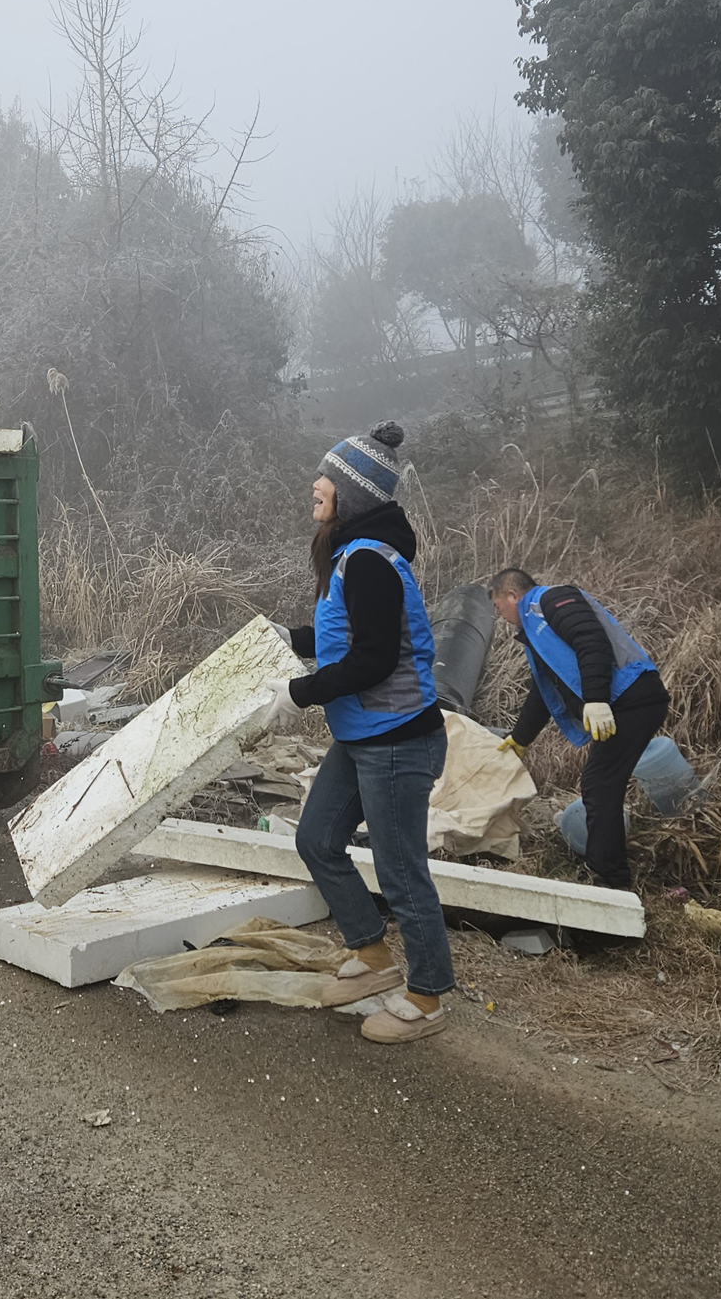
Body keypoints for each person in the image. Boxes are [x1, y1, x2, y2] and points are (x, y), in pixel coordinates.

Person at [264, 422, 453, 1044]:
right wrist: (280, 644)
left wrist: (301, 692)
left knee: (401, 872)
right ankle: (372, 955)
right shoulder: (354, 554)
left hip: (397, 737)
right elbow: (343, 637)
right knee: (317, 839)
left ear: (353, 492)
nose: (315, 486)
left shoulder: (369, 559)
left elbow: (372, 660)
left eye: (326, 479)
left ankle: (427, 996)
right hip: (364, 734)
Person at [488, 569, 666, 890]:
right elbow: (542, 693)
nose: (501, 617)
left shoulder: (551, 599)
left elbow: (590, 639)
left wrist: (596, 700)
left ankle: (609, 881)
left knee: (599, 785)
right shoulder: (535, 628)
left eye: (499, 607)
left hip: (631, 696)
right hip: (626, 701)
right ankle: (608, 874)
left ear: (512, 595)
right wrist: (520, 738)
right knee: (601, 784)